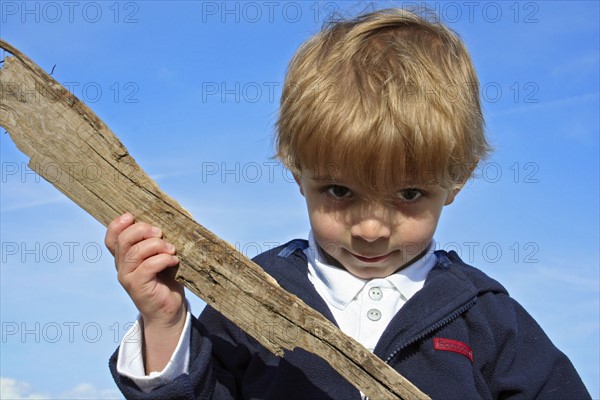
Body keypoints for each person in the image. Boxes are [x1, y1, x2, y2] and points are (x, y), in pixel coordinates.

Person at [104, 8, 590, 399]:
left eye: (410, 194)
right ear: (298, 174)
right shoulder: (247, 295)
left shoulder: (488, 318)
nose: (372, 229)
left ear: (456, 182)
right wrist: (165, 322)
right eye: (340, 191)